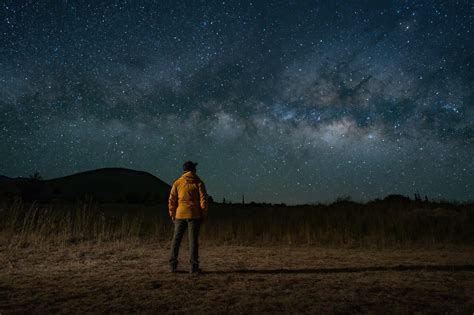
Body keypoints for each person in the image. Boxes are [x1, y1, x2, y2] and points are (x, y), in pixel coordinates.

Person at [168, 161, 208, 274]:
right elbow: (203, 201)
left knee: (176, 240)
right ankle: (193, 268)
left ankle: (172, 266)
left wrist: (172, 213)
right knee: (193, 241)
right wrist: (203, 215)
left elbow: (172, 200)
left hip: (179, 215)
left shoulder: (177, 183)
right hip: (194, 215)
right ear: (193, 170)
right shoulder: (199, 183)